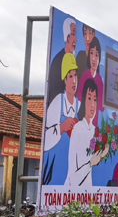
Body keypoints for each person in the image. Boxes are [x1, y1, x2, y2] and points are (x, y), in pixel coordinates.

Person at [42, 53, 80, 185]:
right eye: (70, 76)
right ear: (64, 79)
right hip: (55, 168)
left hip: (72, 168)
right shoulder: (58, 102)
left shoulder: (79, 105)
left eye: (75, 75)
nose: (74, 80)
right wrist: (61, 127)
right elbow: (45, 142)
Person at [66, 79, 109, 186]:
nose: (93, 105)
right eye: (89, 98)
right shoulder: (78, 129)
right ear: (83, 100)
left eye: (95, 100)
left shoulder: (95, 131)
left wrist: (101, 155)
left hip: (87, 192)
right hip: (73, 193)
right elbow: (73, 176)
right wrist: (90, 163)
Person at [47, 18, 77, 106]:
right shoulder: (57, 61)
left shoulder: (73, 60)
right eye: (73, 34)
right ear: (68, 38)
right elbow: (54, 94)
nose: (76, 40)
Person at [76, 36, 104, 126]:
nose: (93, 58)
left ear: (99, 57)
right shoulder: (85, 75)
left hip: (93, 126)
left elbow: (101, 108)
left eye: (96, 55)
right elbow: (79, 100)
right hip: (83, 121)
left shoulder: (99, 81)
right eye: (92, 53)